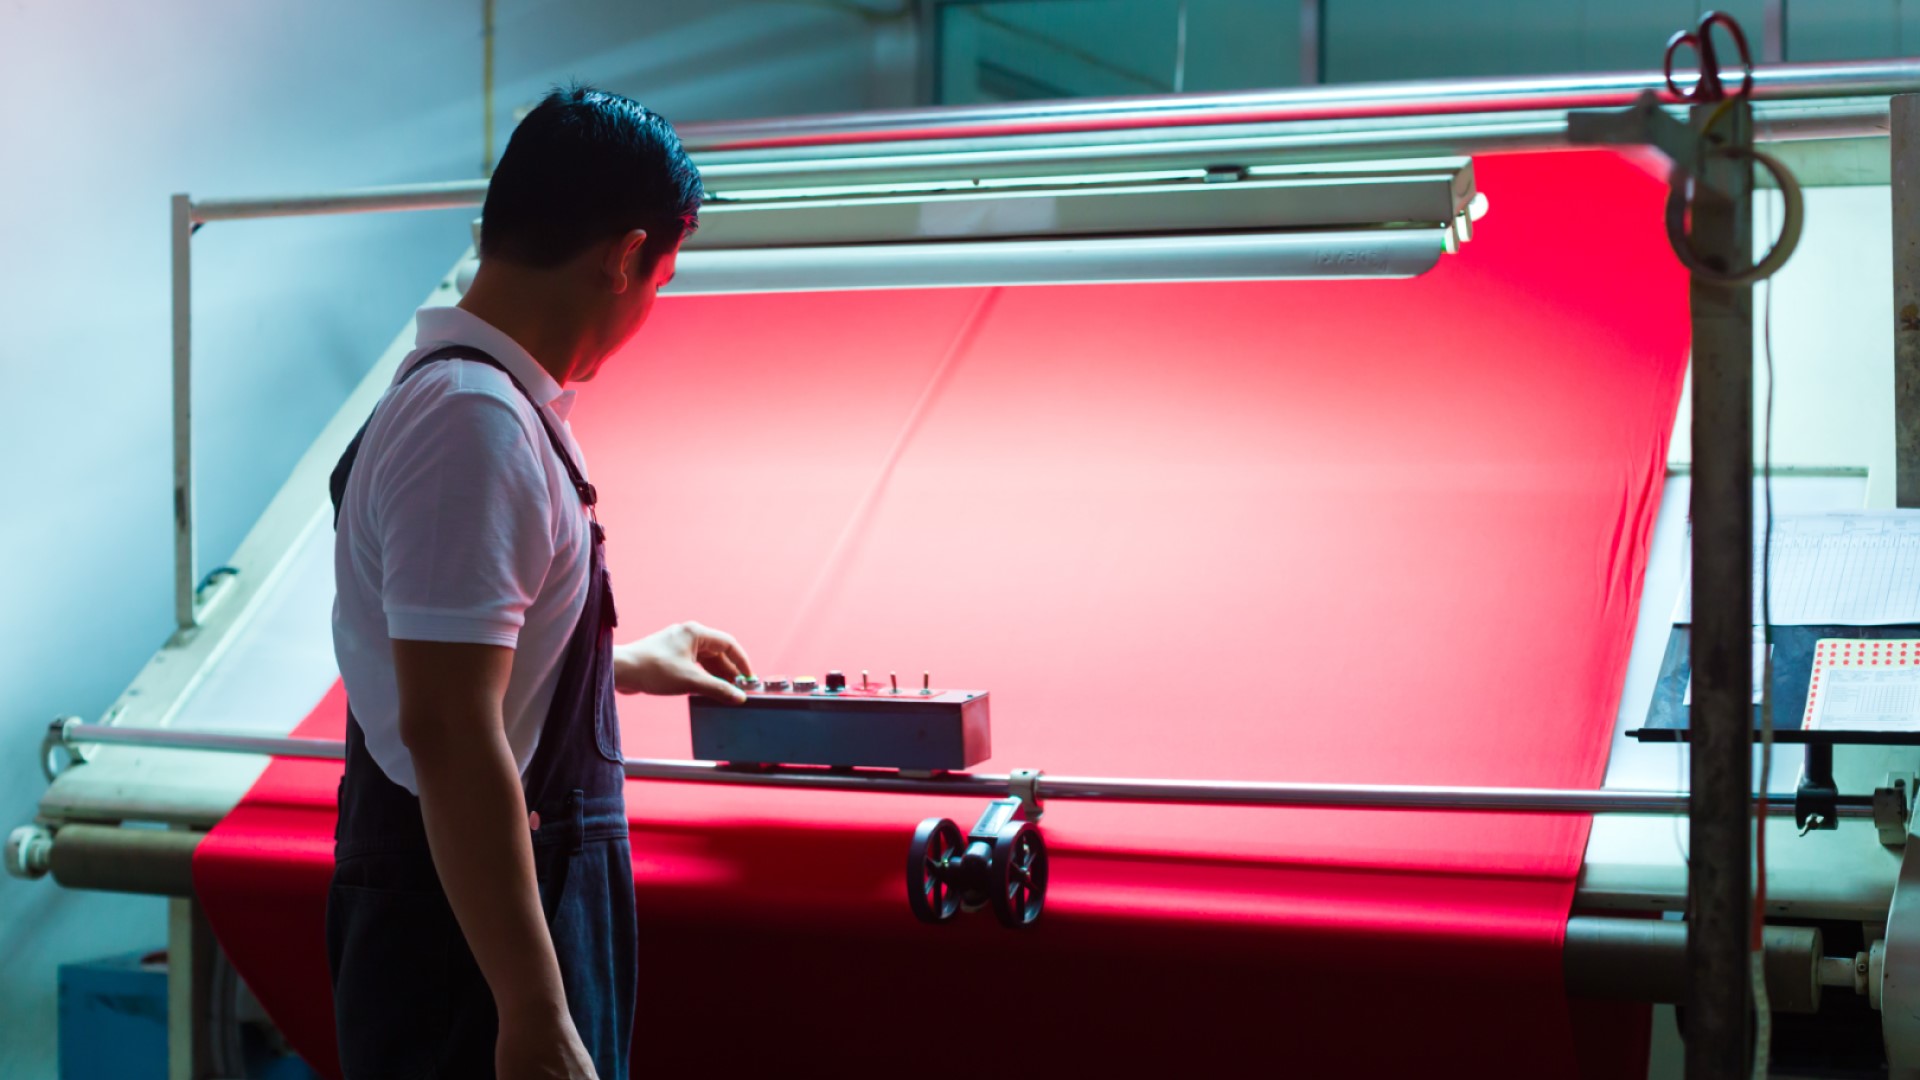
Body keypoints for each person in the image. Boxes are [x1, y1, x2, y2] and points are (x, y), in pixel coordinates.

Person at [326, 86, 752, 1079]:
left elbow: (456, 666)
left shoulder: (481, 407)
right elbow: (446, 724)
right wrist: (533, 1006)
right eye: (662, 277)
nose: (650, 305)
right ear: (622, 257)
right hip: (462, 958)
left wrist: (625, 660)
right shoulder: (472, 424)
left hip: (470, 924)